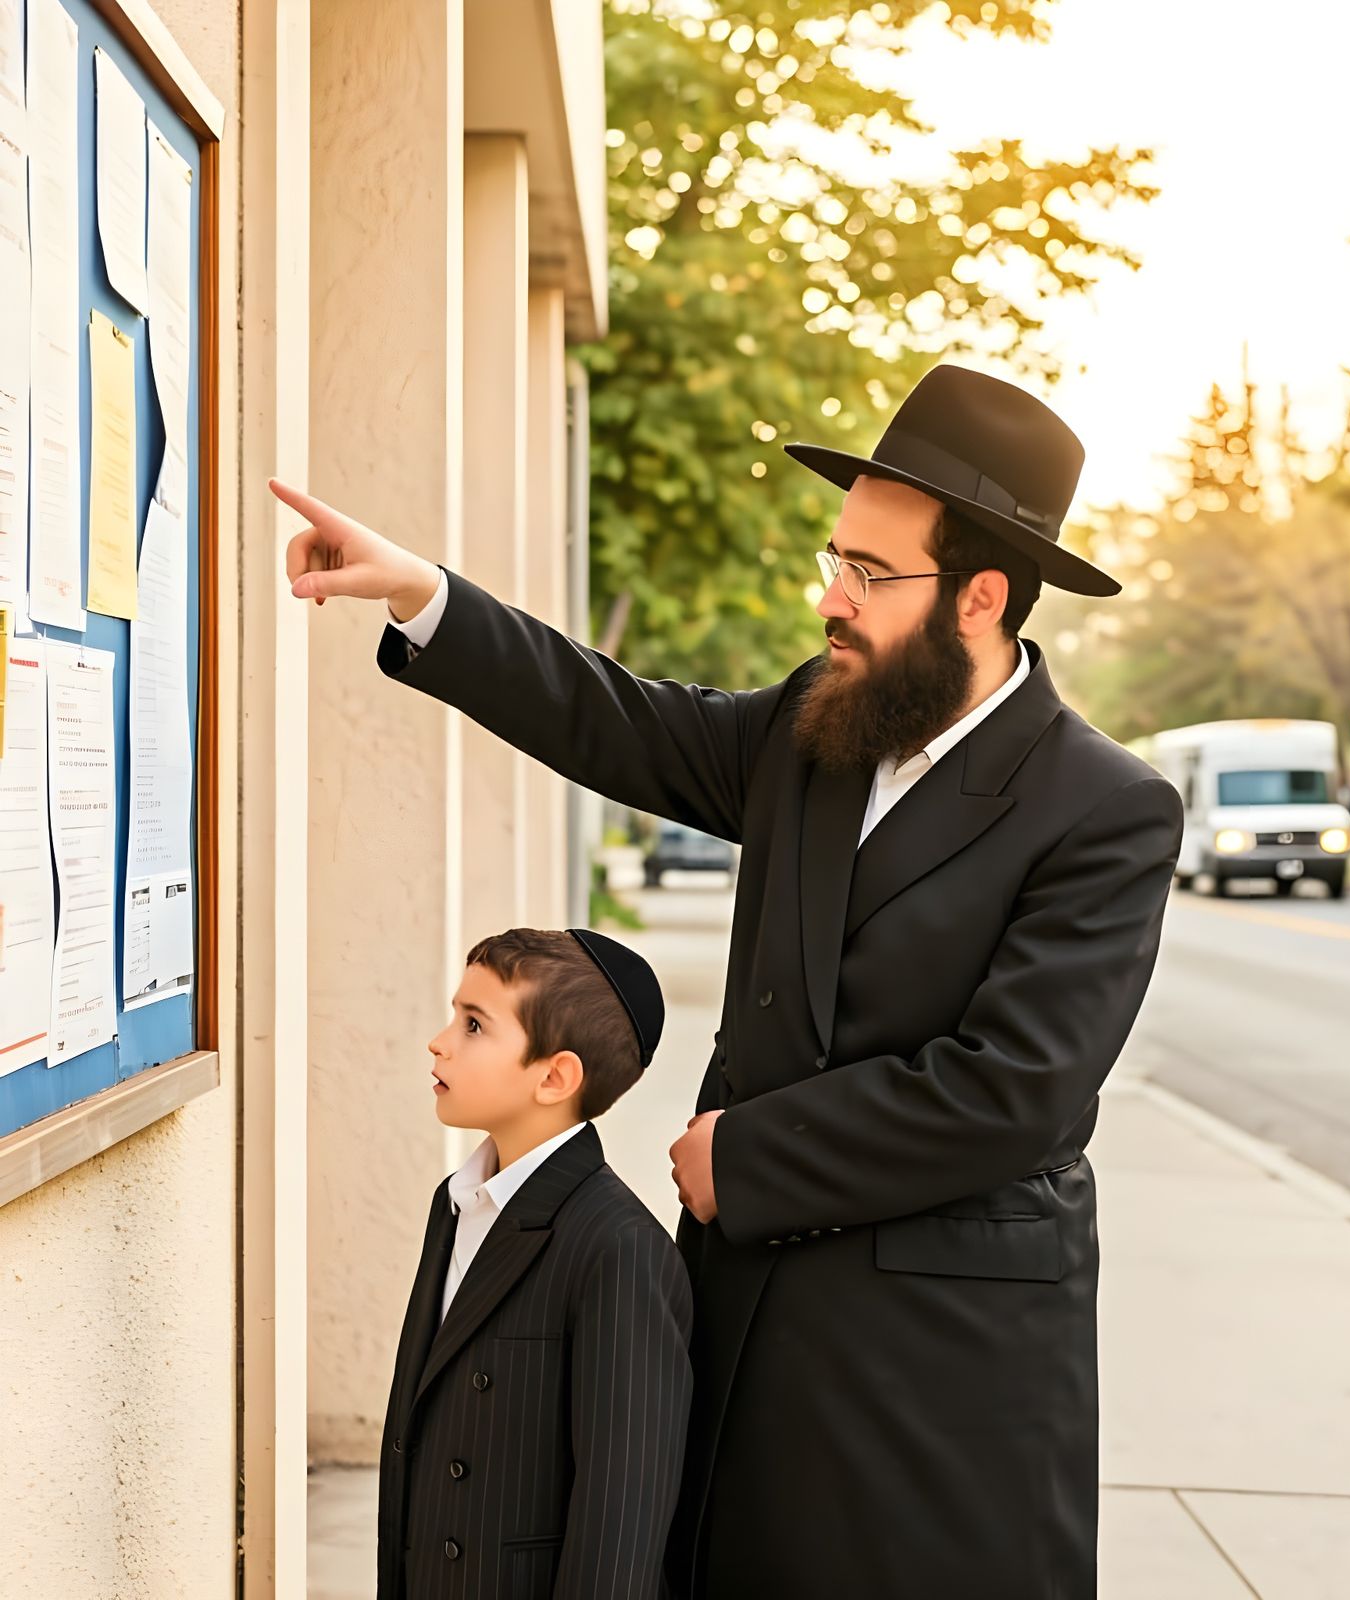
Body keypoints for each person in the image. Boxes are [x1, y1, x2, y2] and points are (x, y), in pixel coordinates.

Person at [280, 361, 1183, 1598]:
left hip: (944, 1363)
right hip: (748, 1300)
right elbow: (623, 720)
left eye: (872, 572)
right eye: (836, 556)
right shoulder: (819, 723)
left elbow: (1011, 1089)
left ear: (980, 597)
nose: (833, 597)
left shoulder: (1105, 807)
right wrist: (427, 597)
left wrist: (746, 1158)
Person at [377, 927, 692, 1600]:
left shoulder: (618, 1246)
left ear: (554, 1077)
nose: (440, 1041)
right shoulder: (458, 1200)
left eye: (473, 1026)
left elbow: (621, 1520)